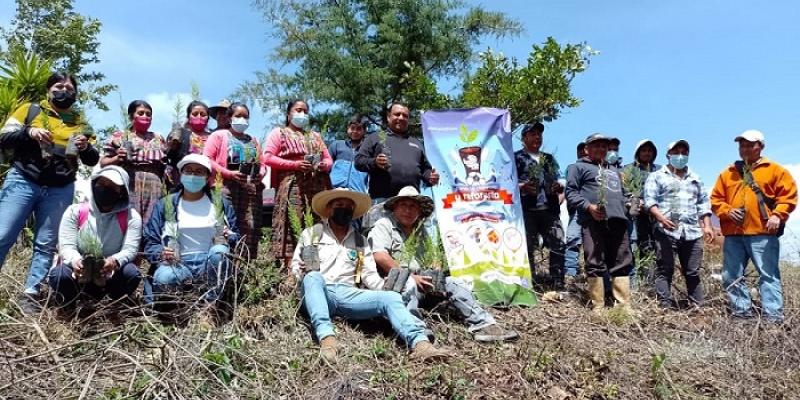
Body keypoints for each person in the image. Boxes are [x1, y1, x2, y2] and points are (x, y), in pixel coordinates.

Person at [292, 188, 449, 363]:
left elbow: (369, 277)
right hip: (318, 291)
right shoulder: (312, 233)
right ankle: (327, 340)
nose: (344, 209)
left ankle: (420, 344)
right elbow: (295, 266)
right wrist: (301, 271)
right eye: (339, 205)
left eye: (348, 207)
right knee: (313, 277)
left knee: (389, 298)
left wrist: (387, 287)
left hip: (348, 294)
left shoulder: (360, 241)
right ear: (329, 209)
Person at [0, 72, 99, 314]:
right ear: (48, 90)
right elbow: (3, 138)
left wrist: (86, 148)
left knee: (46, 243)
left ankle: (31, 294)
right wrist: (29, 133)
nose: (64, 91)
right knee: (3, 235)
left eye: (69, 87)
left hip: (60, 187)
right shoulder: (30, 111)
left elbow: (92, 159)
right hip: (23, 180)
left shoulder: (81, 122)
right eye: (59, 86)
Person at [369, 186, 519, 342]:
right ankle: (417, 332)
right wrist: (412, 277)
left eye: (413, 206)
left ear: (420, 212)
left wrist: (435, 272)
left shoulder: (420, 231)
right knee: (409, 284)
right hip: (395, 283)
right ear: (395, 208)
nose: (408, 210)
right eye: (404, 205)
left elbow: (431, 259)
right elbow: (380, 256)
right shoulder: (384, 224)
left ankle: (484, 325)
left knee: (454, 283)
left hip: (422, 282)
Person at [710, 130, 797, 323]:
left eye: (750, 144)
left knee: (768, 275)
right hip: (733, 235)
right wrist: (726, 211)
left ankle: (773, 319)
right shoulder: (728, 173)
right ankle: (742, 316)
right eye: (742, 145)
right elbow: (716, 200)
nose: (745, 148)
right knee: (731, 276)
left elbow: (788, 197)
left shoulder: (775, 170)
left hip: (763, 233)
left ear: (761, 146)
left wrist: (777, 215)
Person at [143, 154, 241, 317]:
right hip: (178, 263)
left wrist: (230, 236)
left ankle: (211, 305)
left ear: (208, 177)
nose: (193, 176)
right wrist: (161, 252)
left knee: (220, 253)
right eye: (188, 171)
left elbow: (236, 237)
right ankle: (178, 305)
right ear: (180, 175)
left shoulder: (219, 203)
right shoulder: (166, 204)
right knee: (165, 277)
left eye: (199, 172)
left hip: (209, 263)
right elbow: (150, 241)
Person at [48, 166, 142, 312]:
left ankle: (114, 306)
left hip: (109, 275)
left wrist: (114, 261)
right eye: (101, 184)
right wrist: (76, 261)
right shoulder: (75, 211)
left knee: (132, 274)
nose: (105, 188)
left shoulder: (132, 217)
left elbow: (130, 249)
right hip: (79, 274)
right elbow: (66, 246)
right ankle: (68, 306)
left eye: (112, 187)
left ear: (121, 192)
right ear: (94, 184)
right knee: (59, 275)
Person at [565, 134, 633, 313]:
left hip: (618, 220)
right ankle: (599, 306)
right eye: (596, 145)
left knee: (622, 260)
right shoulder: (577, 167)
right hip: (593, 221)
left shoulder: (616, 171)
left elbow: (626, 194)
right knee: (595, 261)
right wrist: (589, 207)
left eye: (604, 146)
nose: (601, 149)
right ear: (587, 149)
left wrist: (628, 205)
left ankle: (623, 306)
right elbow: (571, 193)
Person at [263, 99, 333, 268]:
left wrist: (323, 165)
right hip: (292, 185)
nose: (302, 114)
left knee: (316, 223)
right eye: (298, 110)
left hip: (316, 186)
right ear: (289, 114)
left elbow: (329, 159)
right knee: (292, 222)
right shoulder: (279, 133)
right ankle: (290, 269)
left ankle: (314, 266)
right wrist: (294, 164)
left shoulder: (315, 136)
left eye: (305, 111)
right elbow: (267, 157)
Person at [643, 140, 712, 309]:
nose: (680, 155)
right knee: (665, 270)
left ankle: (697, 307)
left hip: (692, 232)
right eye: (676, 152)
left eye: (684, 152)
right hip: (666, 230)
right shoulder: (657, 176)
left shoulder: (695, 178)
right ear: (668, 155)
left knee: (693, 272)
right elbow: (649, 200)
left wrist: (707, 225)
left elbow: (703, 203)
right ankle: (664, 307)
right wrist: (660, 218)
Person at [204, 102, 264, 258]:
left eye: (245, 116)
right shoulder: (218, 136)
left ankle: (245, 269)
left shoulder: (253, 140)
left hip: (249, 190)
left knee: (249, 228)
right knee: (224, 226)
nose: (242, 119)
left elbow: (262, 164)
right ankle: (221, 266)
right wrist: (228, 173)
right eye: (238, 116)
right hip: (224, 188)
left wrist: (260, 174)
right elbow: (207, 159)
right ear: (229, 118)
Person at [514, 122, 565, 288]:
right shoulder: (516, 157)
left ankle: (557, 281)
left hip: (549, 209)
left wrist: (558, 187)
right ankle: (529, 282)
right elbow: (507, 183)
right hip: (526, 210)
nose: (537, 137)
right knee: (526, 246)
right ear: (524, 138)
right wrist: (522, 187)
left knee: (558, 242)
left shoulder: (549, 158)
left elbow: (558, 178)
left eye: (539, 134)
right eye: (533, 134)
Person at [354, 103, 439, 203]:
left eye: (405, 116)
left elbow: (425, 170)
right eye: (397, 114)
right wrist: (375, 162)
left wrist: (430, 177)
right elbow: (359, 161)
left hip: (411, 203)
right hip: (382, 201)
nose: (401, 118)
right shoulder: (376, 137)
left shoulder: (416, 143)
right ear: (388, 117)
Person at [100, 100, 167, 225]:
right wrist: (117, 158)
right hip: (129, 184)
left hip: (154, 186)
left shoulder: (158, 138)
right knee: (129, 220)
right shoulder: (120, 136)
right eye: (140, 113)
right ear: (131, 116)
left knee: (153, 221)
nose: (145, 117)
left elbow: (165, 165)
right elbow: (103, 162)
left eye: (148, 114)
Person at [623, 139, 661, 287]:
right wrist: (635, 200)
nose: (647, 153)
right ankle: (631, 285)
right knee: (631, 248)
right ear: (638, 152)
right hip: (634, 216)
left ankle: (649, 285)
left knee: (650, 249)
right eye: (643, 150)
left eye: (650, 150)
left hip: (654, 217)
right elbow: (624, 189)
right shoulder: (628, 169)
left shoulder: (659, 170)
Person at [166, 100, 212, 188]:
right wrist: (173, 141)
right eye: (195, 114)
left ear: (208, 118)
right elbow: (168, 155)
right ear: (188, 117)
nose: (199, 117)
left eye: (203, 114)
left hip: (207, 183)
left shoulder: (213, 137)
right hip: (182, 182)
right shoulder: (181, 134)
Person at [328, 114, 369, 194]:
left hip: (357, 193)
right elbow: (327, 166)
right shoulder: (337, 145)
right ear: (347, 128)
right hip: (334, 190)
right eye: (352, 128)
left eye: (359, 129)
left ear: (364, 131)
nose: (355, 131)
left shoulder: (368, 150)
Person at [564, 142, 587, 281]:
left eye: (586, 149)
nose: (584, 152)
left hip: (594, 210)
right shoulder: (572, 168)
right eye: (581, 150)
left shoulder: (599, 168)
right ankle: (570, 273)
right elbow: (570, 189)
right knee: (573, 240)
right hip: (578, 210)